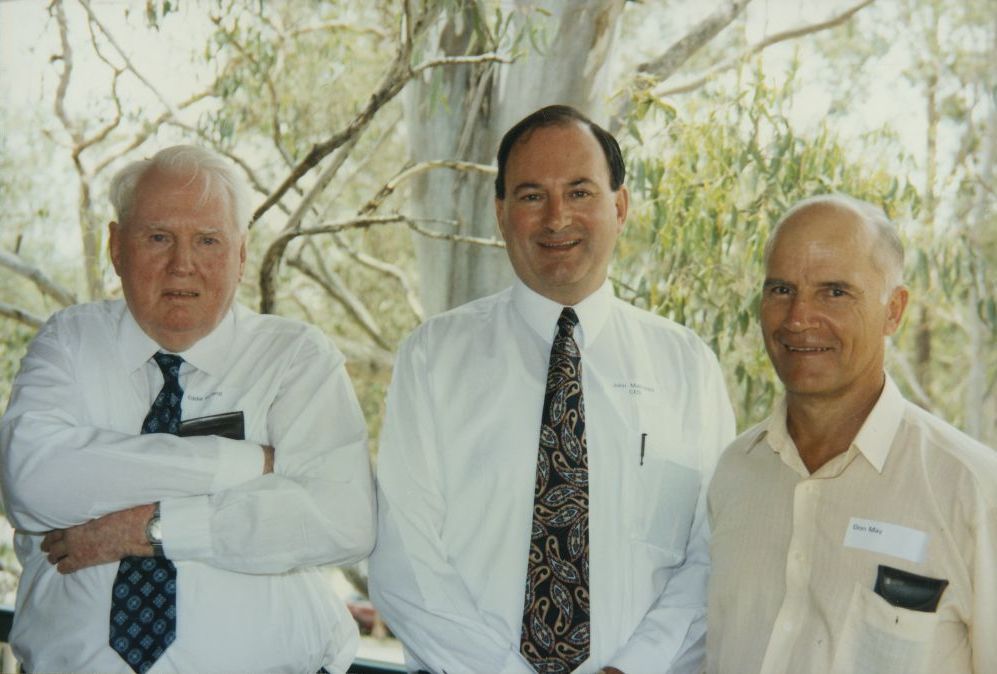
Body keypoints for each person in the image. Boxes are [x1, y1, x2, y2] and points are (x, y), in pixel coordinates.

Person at [368, 104, 735, 674]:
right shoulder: (433, 358)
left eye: (580, 192)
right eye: (532, 195)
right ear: (501, 213)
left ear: (620, 206)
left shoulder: (687, 366)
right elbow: (405, 560)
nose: (557, 217)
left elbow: (713, 552)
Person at [0, 145, 376, 674]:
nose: (183, 264)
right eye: (158, 237)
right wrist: (246, 465)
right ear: (115, 247)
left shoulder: (294, 358)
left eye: (208, 240)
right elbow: (34, 483)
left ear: (241, 255)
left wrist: (149, 529)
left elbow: (342, 521)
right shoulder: (70, 341)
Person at [706, 194, 997, 673]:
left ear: (894, 310)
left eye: (835, 292)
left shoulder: (970, 490)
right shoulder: (736, 471)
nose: (798, 318)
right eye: (781, 289)